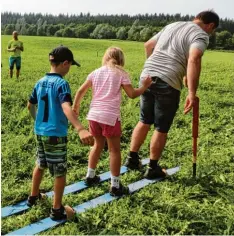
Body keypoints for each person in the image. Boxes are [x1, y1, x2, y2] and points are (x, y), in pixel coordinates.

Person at [124, 10, 220, 179]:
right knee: (161, 127)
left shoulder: (172, 25)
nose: (210, 34)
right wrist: (192, 92)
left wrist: (152, 67)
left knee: (144, 120)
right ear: (210, 25)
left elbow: (148, 45)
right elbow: (194, 58)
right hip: (167, 81)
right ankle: (153, 168)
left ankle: (132, 158)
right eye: (212, 31)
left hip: (147, 75)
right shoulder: (201, 34)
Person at [72, 47, 152, 196]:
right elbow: (132, 94)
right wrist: (145, 86)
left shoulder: (96, 72)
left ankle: (90, 176)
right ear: (121, 59)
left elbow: (80, 91)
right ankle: (115, 186)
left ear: (105, 57)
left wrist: (76, 107)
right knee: (114, 150)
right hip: (110, 117)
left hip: (94, 115)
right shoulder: (121, 73)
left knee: (97, 145)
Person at [27, 46, 94, 221]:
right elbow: (66, 107)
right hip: (56, 134)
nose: (69, 68)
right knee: (60, 171)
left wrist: (39, 121)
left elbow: (30, 106)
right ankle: (57, 210)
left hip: (40, 131)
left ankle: (33, 197)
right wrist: (80, 128)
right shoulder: (62, 84)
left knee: (40, 163)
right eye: (70, 65)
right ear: (64, 63)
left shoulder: (39, 82)